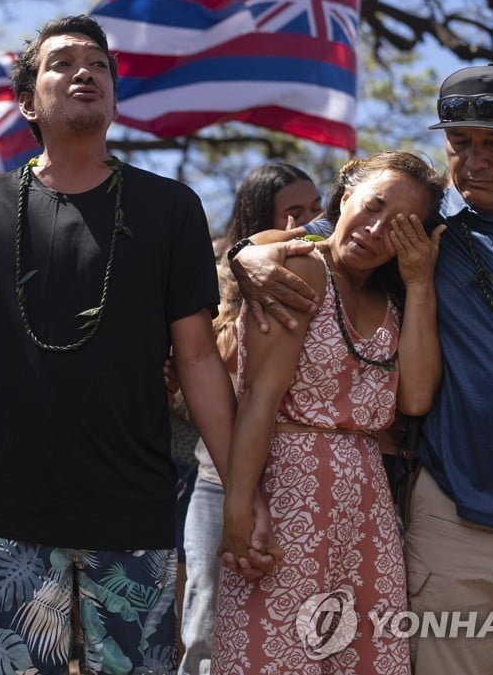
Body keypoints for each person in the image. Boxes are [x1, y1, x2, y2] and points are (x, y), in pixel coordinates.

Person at [233, 65, 493, 674]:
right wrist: (248, 254)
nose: (475, 161)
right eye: (460, 144)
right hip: (457, 518)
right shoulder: (421, 222)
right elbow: (314, 239)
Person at [0, 15, 237, 675]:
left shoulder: (171, 206)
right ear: (28, 101)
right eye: (62, 63)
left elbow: (198, 358)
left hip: (132, 507)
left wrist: (242, 488)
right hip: (13, 512)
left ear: (114, 97)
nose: (85, 72)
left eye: (99, 64)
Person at [213, 152, 444, 673]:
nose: (376, 229)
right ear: (345, 198)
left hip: (366, 504)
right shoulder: (299, 268)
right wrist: (239, 503)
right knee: (273, 656)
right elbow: (259, 398)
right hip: (286, 488)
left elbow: (415, 399)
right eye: (372, 206)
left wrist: (419, 281)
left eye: (400, 226)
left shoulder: (396, 299)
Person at [178, 161, 321, 675]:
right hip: (222, 479)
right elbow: (211, 372)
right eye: (293, 213)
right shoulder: (220, 275)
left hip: (303, 481)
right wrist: (250, 277)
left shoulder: (332, 278)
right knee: (206, 624)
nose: (307, 223)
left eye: (317, 208)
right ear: (260, 218)